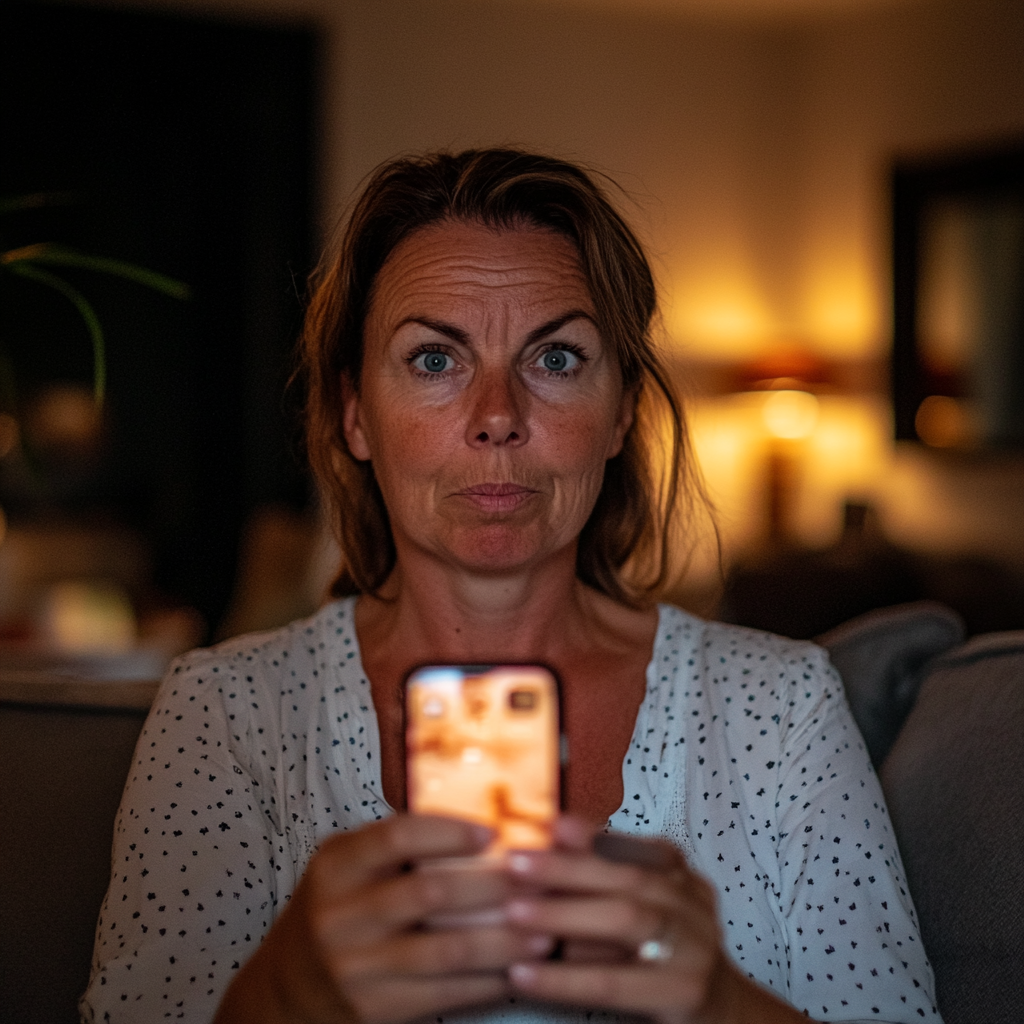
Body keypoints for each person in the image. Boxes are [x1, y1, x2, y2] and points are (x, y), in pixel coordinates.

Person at [81, 149, 939, 1024]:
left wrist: (720, 1003)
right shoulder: (227, 713)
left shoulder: (782, 707)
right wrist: (284, 992)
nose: (498, 415)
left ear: (621, 415)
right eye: (433, 360)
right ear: (353, 414)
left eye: (557, 359)